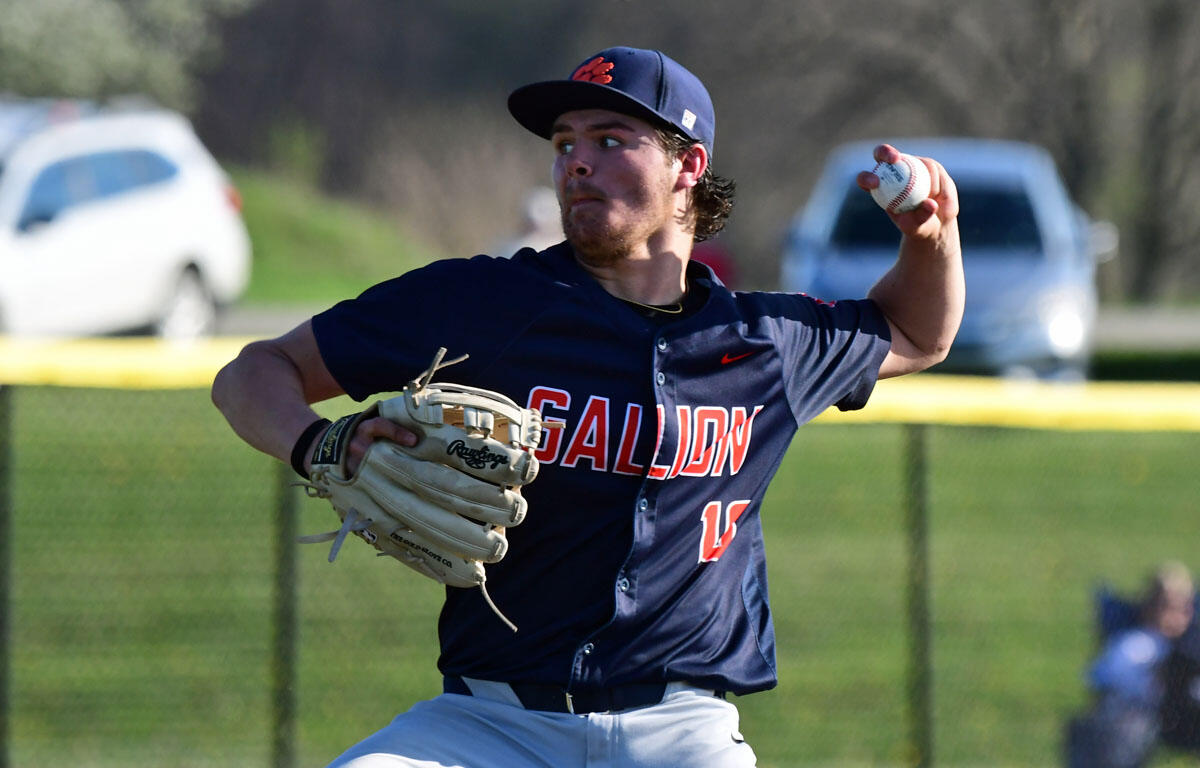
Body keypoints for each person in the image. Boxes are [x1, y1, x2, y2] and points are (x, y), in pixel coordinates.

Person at [212, 45, 963, 767]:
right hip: (488, 723)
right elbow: (253, 372)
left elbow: (917, 332)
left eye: (610, 139)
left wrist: (932, 235)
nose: (576, 160)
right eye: (565, 141)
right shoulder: (480, 303)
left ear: (687, 167)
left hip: (683, 728)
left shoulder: (765, 342)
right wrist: (319, 445)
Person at [1067, 562, 1196, 768]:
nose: (1176, 616)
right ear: (1148, 607)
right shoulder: (1137, 645)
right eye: (1166, 607)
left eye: (1184, 608)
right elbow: (1105, 676)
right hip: (1135, 720)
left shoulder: (1190, 646)